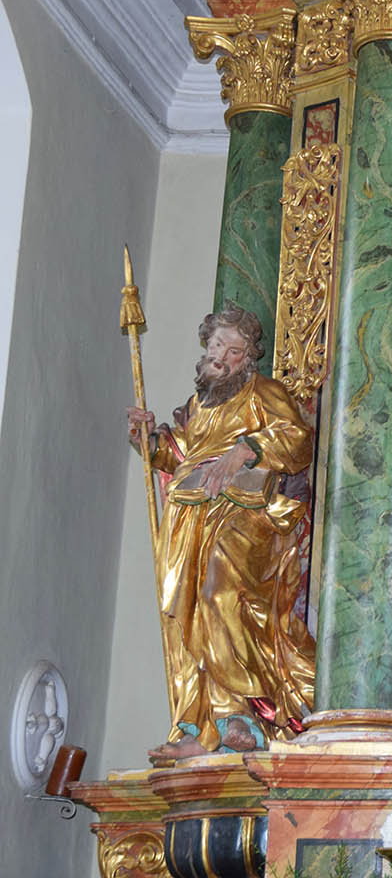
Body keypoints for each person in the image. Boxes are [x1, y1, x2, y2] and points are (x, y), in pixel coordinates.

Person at [127, 305, 315, 760]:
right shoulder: (199, 406)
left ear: (248, 358)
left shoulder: (263, 392)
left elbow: (298, 439)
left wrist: (246, 450)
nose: (221, 357)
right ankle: (202, 727)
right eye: (216, 346)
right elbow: (183, 457)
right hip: (191, 516)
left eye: (233, 351)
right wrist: (150, 444)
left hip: (244, 514)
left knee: (219, 595)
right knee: (187, 614)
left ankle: (248, 715)